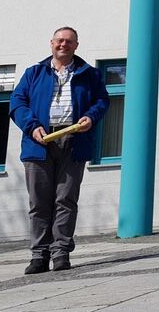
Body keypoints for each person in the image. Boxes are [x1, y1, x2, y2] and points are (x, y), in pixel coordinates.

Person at [9, 26, 109, 274]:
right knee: (39, 202)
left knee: (66, 199)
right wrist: (32, 127)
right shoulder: (34, 73)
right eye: (60, 40)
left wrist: (90, 117)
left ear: (76, 46)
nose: (63, 44)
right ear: (51, 43)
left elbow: (102, 101)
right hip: (39, 143)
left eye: (69, 41)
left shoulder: (90, 74)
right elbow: (17, 103)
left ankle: (61, 252)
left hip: (74, 141)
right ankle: (39, 255)